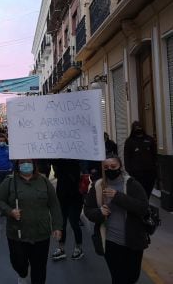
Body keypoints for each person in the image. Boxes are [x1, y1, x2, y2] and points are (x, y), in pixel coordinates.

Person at [0, 159, 63, 284]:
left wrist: (57, 226)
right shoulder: (9, 182)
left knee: (39, 269)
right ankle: (23, 274)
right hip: (17, 234)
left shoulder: (44, 181)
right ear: (17, 165)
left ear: (34, 164)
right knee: (19, 263)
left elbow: (54, 205)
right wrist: (10, 211)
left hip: (40, 233)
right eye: (22, 162)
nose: (26, 165)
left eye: (28, 162)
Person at [84, 154, 149, 284]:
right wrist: (99, 212)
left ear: (120, 167)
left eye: (113, 166)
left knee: (132, 277)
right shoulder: (98, 186)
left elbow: (143, 208)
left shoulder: (132, 184)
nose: (110, 169)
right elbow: (88, 210)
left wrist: (117, 196)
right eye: (106, 167)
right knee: (118, 278)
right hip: (110, 242)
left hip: (133, 241)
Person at [50, 159, 84, 261]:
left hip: (75, 197)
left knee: (74, 222)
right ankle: (61, 248)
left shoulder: (76, 161)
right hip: (62, 196)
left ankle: (78, 247)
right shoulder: (58, 161)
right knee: (62, 223)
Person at [124, 121, 157, 197]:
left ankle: (146, 205)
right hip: (136, 173)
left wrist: (155, 168)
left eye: (139, 127)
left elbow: (154, 155)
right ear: (133, 129)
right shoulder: (129, 141)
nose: (138, 129)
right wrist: (129, 170)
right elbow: (126, 157)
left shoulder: (150, 139)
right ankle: (142, 206)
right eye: (136, 128)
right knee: (139, 191)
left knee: (148, 190)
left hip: (150, 171)